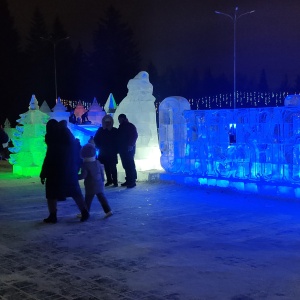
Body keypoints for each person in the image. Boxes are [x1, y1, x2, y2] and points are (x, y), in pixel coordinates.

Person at [40, 119, 89, 223]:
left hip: (55, 171)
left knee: (51, 194)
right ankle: (84, 212)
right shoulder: (69, 137)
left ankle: (53, 215)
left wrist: (44, 173)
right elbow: (77, 152)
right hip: (70, 170)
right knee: (75, 192)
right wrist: (79, 166)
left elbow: (49, 158)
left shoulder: (53, 140)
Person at [78, 141, 113, 218]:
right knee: (102, 198)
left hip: (90, 186)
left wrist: (76, 177)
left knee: (88, 200)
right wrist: (103, 180)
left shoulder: (85, 165)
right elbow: (101, 172)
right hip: (99, 184)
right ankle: (108, 211)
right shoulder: (97, 162)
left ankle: (85, 213)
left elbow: (83, 175)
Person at [94, 115, 119, 187]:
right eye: (106, 122)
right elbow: (96, 139)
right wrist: (99, 146)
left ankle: (115, 181)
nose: (107, 123)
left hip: (112, 152)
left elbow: (118, 141)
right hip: (103, 152)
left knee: (113, 167)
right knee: (106, 167)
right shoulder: (101, 130)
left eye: (109, 122)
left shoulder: (114, 130)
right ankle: (109, 180)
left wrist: (116, 149)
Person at [117, 114, 138, 188]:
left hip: (128, 148)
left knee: (130, 164)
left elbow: (134, 135)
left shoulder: (130, 126)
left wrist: (131, 145)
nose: (119, 121)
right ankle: (128, 179)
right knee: (125, 164)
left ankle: (132, 181)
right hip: (123, 149)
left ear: (123, 119)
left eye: (119, 119)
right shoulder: (121, 127)